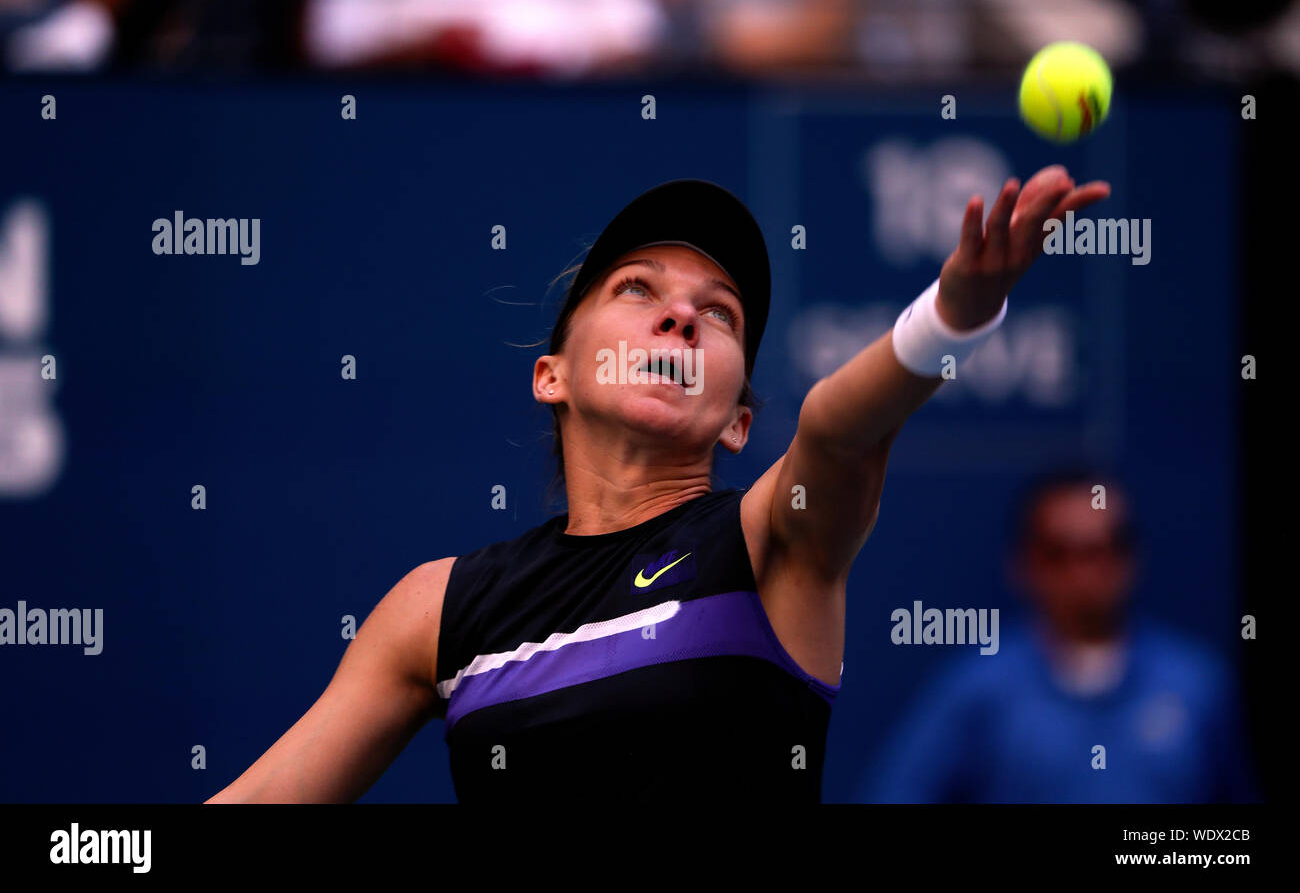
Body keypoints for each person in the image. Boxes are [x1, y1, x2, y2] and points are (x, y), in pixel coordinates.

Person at [205, 168, 1109, 803]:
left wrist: (953, 314)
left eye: (719, 313)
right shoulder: (436, 610)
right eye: (637, 288)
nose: (680, 312)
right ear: (551, 375)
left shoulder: (772, 545)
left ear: (737, 422)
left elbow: (836, 430)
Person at [857, 468, 1258, 802]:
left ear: (1131, 560)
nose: (1083, 574)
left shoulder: (1197, 684)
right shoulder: (979, 689)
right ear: (1024, 564)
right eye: (1060, 553)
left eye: (1102, 549)